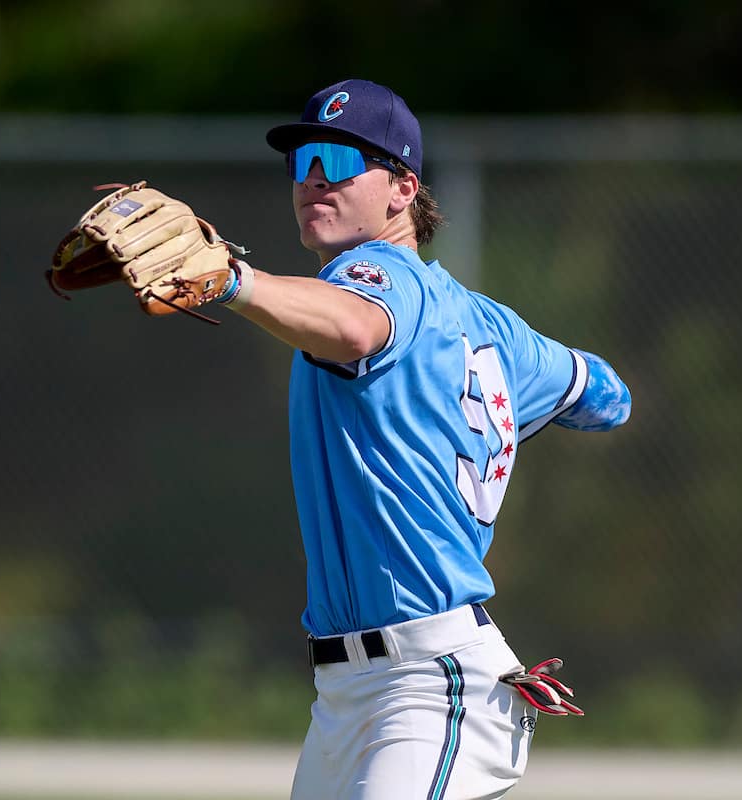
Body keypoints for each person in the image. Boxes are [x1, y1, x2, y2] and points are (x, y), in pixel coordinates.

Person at [213, 79, 631, 799]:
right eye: (302, 160)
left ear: (404, 187)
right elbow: (605, 395)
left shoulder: (372, 277)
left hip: (427, 685)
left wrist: (231, 280)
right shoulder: (490, 328)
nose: (313, 179)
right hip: (351, 699)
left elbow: (353, 323)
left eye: (338, 163)